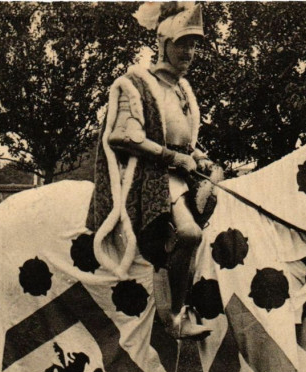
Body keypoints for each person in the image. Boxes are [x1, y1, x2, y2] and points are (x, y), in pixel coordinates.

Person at [87, 2, 223, 339]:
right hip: (151, 177)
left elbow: (185, 142)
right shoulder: (135, 84)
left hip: (180, 176)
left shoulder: (184, 92)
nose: (189, 52)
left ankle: (183, 298)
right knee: (191, 234)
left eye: (193, 45)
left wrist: (202, 159)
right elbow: (123, 135)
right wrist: (175, 159)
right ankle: (173, 317)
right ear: (163, 44)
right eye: (182, 44)